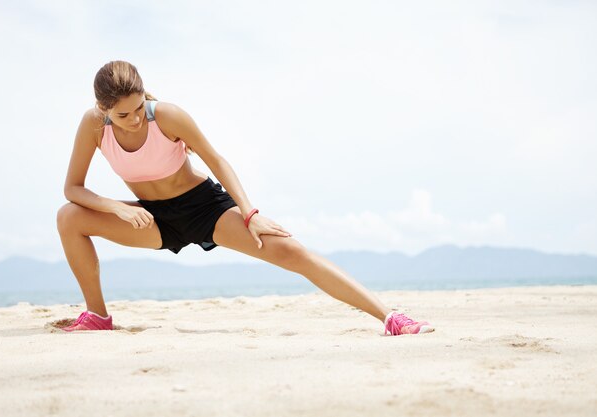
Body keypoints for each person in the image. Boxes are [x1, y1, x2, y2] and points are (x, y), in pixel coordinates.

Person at [57, 60, 434, 336]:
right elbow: (73, 188)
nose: (136, 118)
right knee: (68, 216)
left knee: (291, 251)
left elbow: (216, 160)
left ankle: (390, 318)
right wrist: (117, 209)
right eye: (124, 115)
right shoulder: (93, 127)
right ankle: (99, 317)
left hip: (205, 208)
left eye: (139, 108)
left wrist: (250, 214)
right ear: (104, 109)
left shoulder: (167, 116)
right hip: (154, 220)